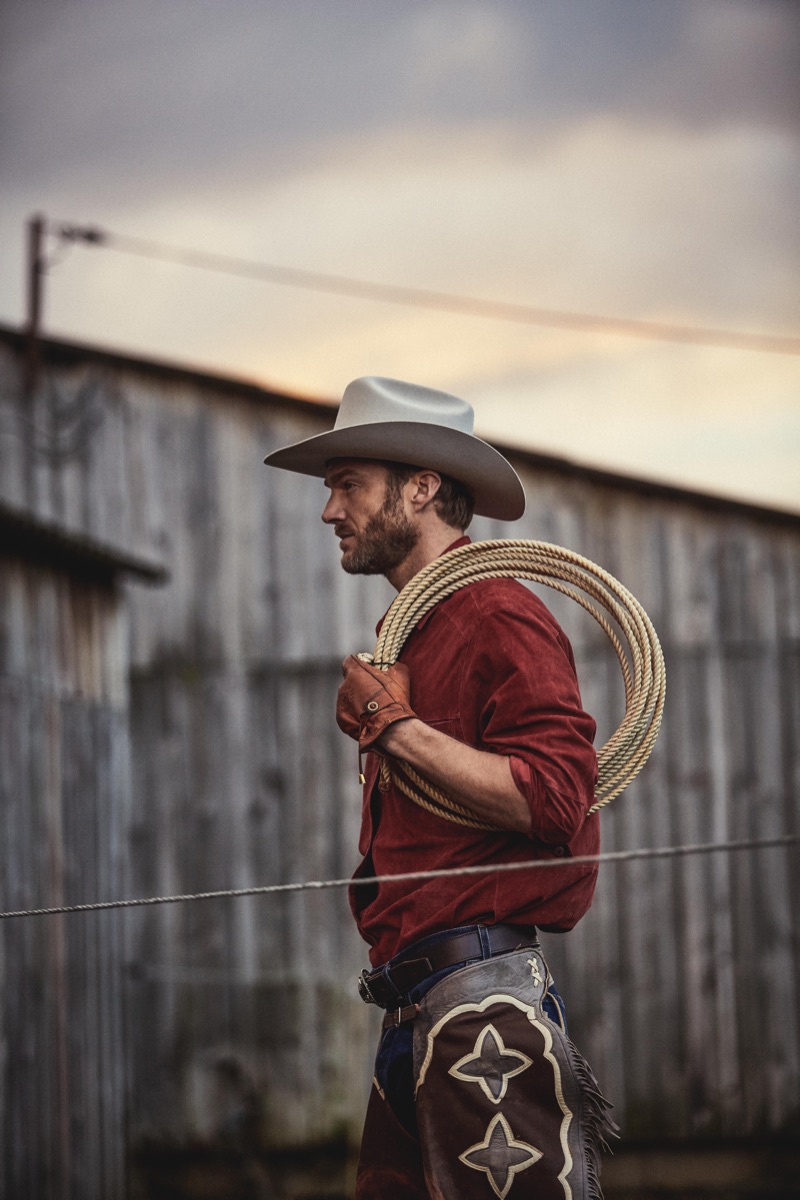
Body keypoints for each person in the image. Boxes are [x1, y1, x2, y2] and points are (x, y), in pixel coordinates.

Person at [265, 377, 616, 1199]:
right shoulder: (417, 629)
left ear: (420, 487)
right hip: (425, 1006)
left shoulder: (496, 613)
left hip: (477, 1009)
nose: (330, 511)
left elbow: (558, 800)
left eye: (348, 485)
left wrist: (396, 727)